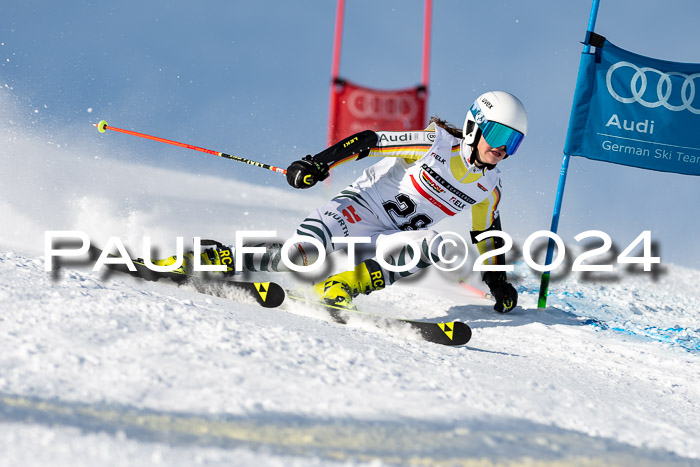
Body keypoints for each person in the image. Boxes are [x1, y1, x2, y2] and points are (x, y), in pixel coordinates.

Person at [165, 90, 526, 313]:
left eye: (513, 142)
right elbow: (371, 141)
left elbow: (487, 235)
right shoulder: (435, 144)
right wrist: (317, 163)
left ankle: (340, 286)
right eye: (497, 134)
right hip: (357, 210)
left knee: (436, 244)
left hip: (386, 241)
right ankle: (218, 257)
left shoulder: (489, 187)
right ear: (475, 125)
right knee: (301, 255)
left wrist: (498, 282)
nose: (501, 148)